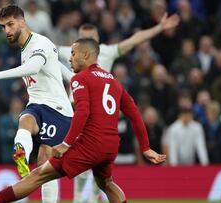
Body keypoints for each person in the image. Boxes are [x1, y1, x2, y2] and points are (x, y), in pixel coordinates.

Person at [0, 38, 166, 203]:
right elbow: (134, 113)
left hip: (90, 145)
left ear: (86, 55)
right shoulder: (113, 81)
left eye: (73, 54)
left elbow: (82, 111)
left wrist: (66, 143)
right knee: (106, 183)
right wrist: (146, 147)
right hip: (111, 146)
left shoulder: (80, 79)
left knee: (38, 175)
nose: (70, 59)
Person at [58, 13, 180, 203]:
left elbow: (135, 39)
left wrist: (159, 27)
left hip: (97, 115)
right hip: (74, 110)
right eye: (84, 37)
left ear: (97, 43)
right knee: (84, 175)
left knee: (93, 174)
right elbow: (44, 50)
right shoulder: (68, 52)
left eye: (92, 38)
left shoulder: (107, 51)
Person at [0, 5, 73, 203]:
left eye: (10, 24)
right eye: (3, 27)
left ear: (23, 22)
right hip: (37, 105)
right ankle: (21, 154)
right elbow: (59, 68)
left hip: (57, 109)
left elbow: (34, 67)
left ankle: (23, 153)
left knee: (46, 163)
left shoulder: (40, 43)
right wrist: (75, 79)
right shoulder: (26, 47)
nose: (7, 30)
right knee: (25, 119)